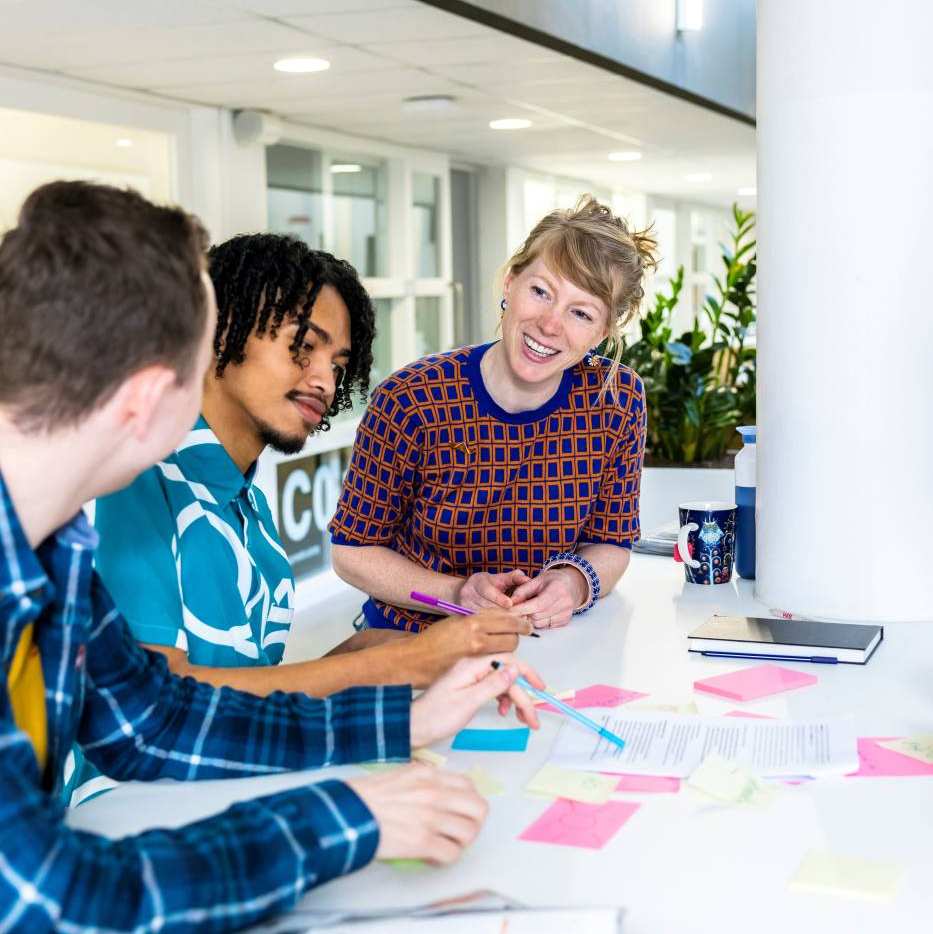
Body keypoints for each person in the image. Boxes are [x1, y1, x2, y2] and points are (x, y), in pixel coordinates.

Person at [0, 180, 541, 932]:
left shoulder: (55, 548)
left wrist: (395, 722)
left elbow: (151, 722)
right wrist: (341, 819)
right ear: (150, 399)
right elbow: (51, 901)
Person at [64, 232, 532, 805]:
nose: (323, 381)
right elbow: (155, 708)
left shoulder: (249, 509)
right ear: (220, 325)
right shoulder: (133, 478)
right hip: (124, 818)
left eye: (338, 364)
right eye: (303, 347)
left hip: (228, 792)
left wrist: (376, 654)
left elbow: (245, 703)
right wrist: (401, 663)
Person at [330, 195, 655, 635]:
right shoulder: (411, 399)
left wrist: (575, 583)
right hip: (409, 641)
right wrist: (456, 593)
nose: (550, 325)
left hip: (547, 648)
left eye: (581, 313)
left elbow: (610, 542)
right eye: (541, 291)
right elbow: (352, 551)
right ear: (509, 282)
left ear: (603, 332)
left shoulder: (616, 402)